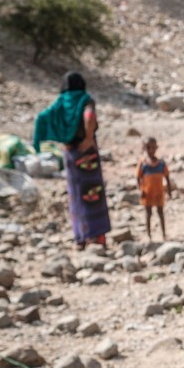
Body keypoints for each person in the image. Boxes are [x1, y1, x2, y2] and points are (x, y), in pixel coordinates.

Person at [32, 71, 111, 249]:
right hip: (87, 152)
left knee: (75, 194)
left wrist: (55, 139)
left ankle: (80, 237)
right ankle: (97, 237)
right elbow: (89, 116)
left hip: (70, 153)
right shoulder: (85, 100)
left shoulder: (61, 101)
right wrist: (89, 137)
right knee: (92, 192)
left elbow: (42, 117)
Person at [136, 136, 174, 241]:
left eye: (153, 147)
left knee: (160, 213)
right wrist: (140, 190)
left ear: (156, 148)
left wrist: (169, 192)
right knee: (148, 213)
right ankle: (149, 236)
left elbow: (167, 178)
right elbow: (138, 178)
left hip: (159, 193)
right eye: (148, 148)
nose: (151, 150)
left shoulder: (161, 164)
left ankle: (164, 234)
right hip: (147, 193)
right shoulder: (143, 164)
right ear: (144, 148)